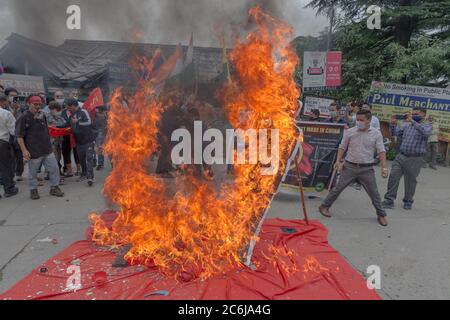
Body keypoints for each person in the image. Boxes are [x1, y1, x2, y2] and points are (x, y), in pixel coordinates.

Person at [319, 110, 389, 227]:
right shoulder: (350, 132)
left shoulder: (376, 134)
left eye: (362, 120)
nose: (359, 122)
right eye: (357, 119)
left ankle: (381, 214)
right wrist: (338, 161)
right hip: (349, 167)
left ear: (369, 120)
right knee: (338, 188)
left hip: (367, 169)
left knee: (374, 193)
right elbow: (342, 147)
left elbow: (381, 150)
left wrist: (384, 167)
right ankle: (324, 206)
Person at [15, 95, 64, 200]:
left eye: (39, 104)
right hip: (33, 150)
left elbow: (47, 128)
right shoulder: (23, 117)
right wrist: (24, 151)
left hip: (47, 148)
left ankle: (54, 187)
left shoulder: (43, 115)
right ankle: (33, 190)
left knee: (54, 169)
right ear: (29, 104)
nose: (37, 106)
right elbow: (19, 136)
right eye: (35, 104)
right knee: (33, 172)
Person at [382, 108, 432, 210]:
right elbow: (396, 134)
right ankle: (389, 200)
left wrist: (412, 121)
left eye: (416, 114)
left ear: (423, 115)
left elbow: (425, 133)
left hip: (415, 158)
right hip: (401, 156)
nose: (413, 115)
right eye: (412, 113)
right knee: (393, 177)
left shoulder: (427, 125)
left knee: (410, 181)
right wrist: (393, 125)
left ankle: (408, 201)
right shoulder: (406, 125)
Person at [61, 98, 95, 186]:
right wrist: (55, 128)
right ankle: (84, 174)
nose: (67, 109)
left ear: (72, 106)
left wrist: (78, 122)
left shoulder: (83, 111)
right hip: (79, 142)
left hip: (88, 141)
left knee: (89, 159)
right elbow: (66, 125)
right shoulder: (71, 115)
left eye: (68, 107)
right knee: (82, 160)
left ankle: (90, 177)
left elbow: (89, 122)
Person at [3, 88, 25, 181]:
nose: (14, 97)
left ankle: (19, 173)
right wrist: (14, 110)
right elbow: (8, 120)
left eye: (15, 95)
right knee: (10, 157)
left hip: (18, 135)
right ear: (7, 97)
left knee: (20, 155)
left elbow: (22, 120)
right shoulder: (4, 108)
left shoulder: (21, 107)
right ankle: (10, 175)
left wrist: (17, 109)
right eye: (11, 95)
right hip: (7, 136)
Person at [0, 94, 19, 198]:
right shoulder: (6, 113)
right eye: (6, 102)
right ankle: (9, 189)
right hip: (2, 142)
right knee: (6, 167)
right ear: (2, 102)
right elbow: (14, 131)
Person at [46, 101, 66, 183]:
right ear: (51, 109)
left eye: (58, 110)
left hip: (58, 141)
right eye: (56, 110)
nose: (57, 112)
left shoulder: (60, 118)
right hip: (50, 142)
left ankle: (52, 173)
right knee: (53, 159)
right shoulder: (46, 117)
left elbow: (64, 124)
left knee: (58, 157)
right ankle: (57, 176)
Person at [92, 105, 108, 171]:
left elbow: (95, 126)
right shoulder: (104, 116)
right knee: (99, 149)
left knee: (100, 149)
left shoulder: (101, 117)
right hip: (100, 133)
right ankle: (98, 163)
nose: (95, 110)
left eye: (96, 109)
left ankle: (100, 164)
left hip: (101, 134)